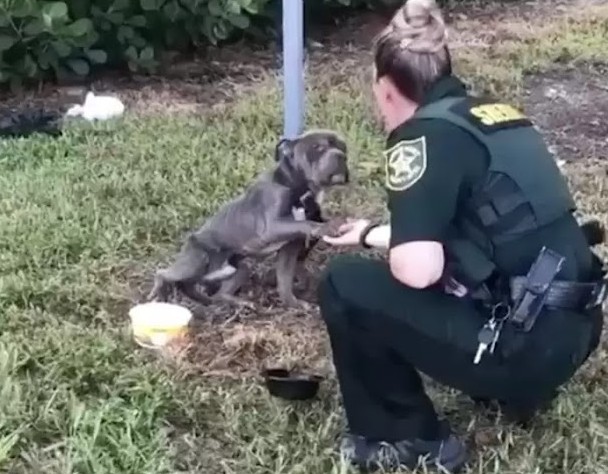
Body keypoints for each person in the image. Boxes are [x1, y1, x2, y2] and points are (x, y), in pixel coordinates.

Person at [316, 0, 607, 472]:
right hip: (573, 335)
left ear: (386, 89)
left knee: (343, 285)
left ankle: (409, 439)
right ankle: (516, 391)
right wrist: (370, 233)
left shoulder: (419, 138)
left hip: (520, 354)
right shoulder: (497, 115)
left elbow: (418, 269)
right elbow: (487, 236)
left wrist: (391, 252)